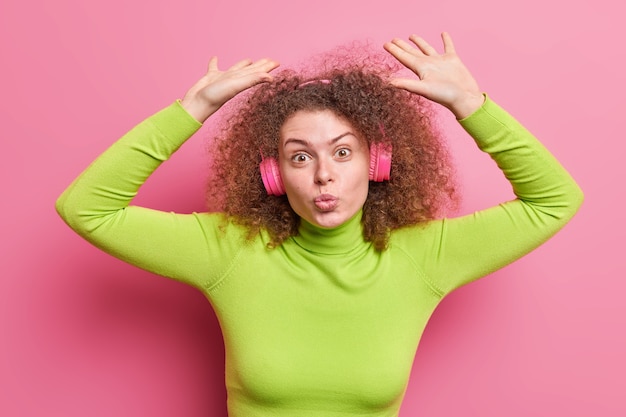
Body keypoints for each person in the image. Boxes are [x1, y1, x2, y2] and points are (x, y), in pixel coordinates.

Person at [56, 32, 583, 416]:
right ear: (274, 174)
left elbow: (555, 200)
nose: (324, 176)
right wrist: (192, 108)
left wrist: (472, 105)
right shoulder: (227, 250)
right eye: (300, 157)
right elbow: (87, 209)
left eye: (343, 152)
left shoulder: (424, 257)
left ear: (378, 164)